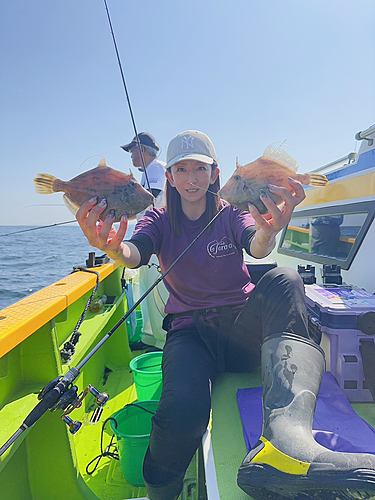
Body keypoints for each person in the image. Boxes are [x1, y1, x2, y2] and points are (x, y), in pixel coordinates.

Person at [77, 131, 375, 500]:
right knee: (181, 411)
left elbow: (257, 245)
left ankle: (288, 442)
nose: (191, 179)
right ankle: (161, 490)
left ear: (214, 173)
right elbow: (136, 252)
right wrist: (113, 248)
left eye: (199, 169)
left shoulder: (230, 211)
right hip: (190, 336)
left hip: (240, 331)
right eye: (181, 170)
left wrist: (269, 231)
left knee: (285, 276)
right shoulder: (157, 217)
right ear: (169, 177)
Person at [122, 132, 168, 348]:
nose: (131, 155)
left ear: (143, 150)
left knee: (159, 293)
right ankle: (151, 337)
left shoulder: (157, 168)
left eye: (132, 150)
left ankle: (164, 340)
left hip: (160, 241)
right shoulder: (148, 172)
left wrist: (118, 206)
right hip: (149, 240)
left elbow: (150, 198)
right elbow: (140, 210)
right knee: (148, 290)